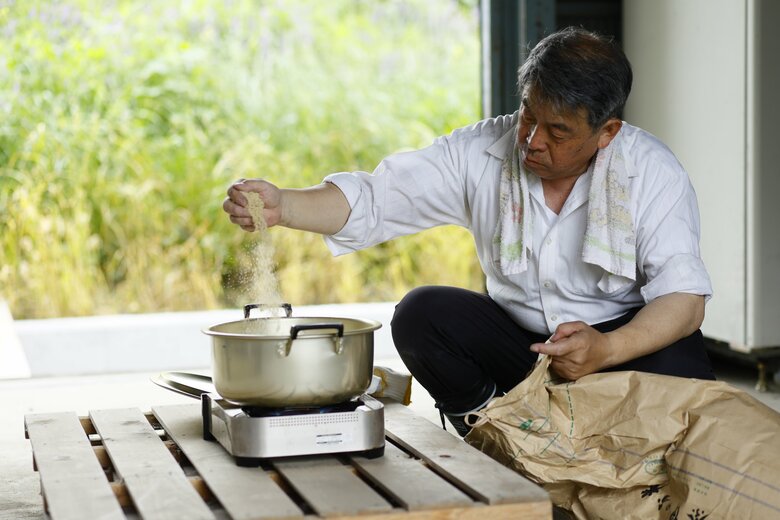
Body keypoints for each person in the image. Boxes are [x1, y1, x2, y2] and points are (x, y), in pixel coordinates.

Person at [223, 27, 714, 436]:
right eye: (529, 116)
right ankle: (496, 433)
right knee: (422, 314)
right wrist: (284, 205)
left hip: (615, 346)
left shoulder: (652, 172)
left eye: (558, 131)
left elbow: (685, 298)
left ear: (607, 132)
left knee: (689, 386)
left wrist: (607, 349)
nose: (532, 141)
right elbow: (377, 198)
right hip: (521, 348)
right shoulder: (481, 151)